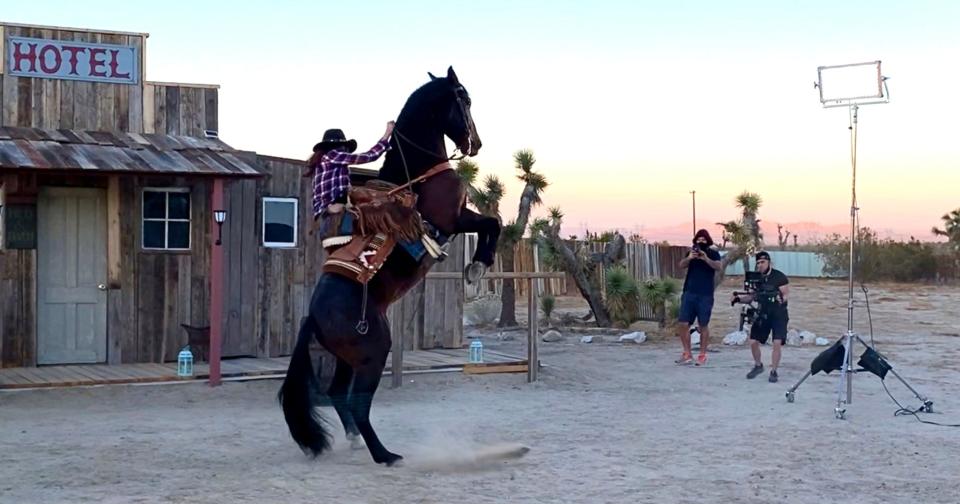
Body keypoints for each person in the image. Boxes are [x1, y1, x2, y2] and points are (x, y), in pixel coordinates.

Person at [303, 122, 395, 230]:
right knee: (381, 214)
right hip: (333, 206)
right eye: (344, 147)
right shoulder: (333, 155)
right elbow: (369, 156)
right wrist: (387, 134)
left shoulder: (321, 163)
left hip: (322, 212)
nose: (345, 151)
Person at [731, 251, 790, 382]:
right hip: (763, 313)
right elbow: (751, 296)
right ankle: (758, 365)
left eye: (762, 262)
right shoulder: (756, 278)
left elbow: (785, 295)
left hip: (778, 314)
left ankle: (774, 371)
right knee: (753, 341)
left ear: (769, 262)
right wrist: (738, 299)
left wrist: (781, 299)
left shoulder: (779, 277)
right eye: (758, 263)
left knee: (777, 342)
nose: (760, 265)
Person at [675, 229, 723, 366]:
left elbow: (719, 266)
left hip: (705, 294)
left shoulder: (713, 253)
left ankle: (702, 354)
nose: (701, 241)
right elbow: (681, 265)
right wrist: (690, 257)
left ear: (708, 240)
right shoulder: (691, 253)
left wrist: (705, 258)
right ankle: (687, 353)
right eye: (698, 239)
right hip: (689, 292)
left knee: (703, 325)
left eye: (703, 239)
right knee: (683, 323)